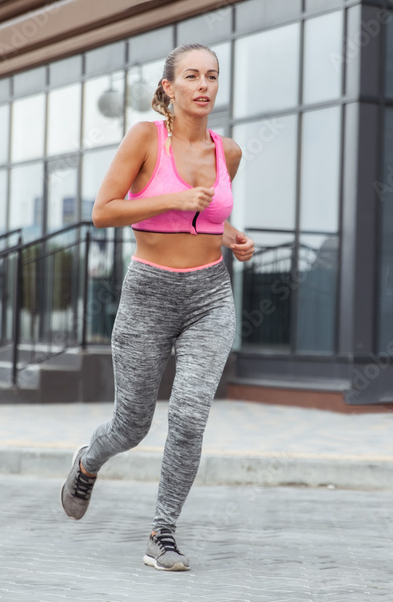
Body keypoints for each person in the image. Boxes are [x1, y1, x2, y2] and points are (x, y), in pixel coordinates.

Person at [60, 42, 255, 572]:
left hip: (209, 296)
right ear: (169, 87)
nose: (203, 85)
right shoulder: (146, 138)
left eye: (211, 76)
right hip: (148, 293)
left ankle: (162, 533)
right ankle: (88, 461)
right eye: (191, 76)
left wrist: (234, 236)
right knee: (132, 424)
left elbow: (208, 216)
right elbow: (104, 212)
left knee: (190, 419)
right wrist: (172, 197)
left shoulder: (227, 151)